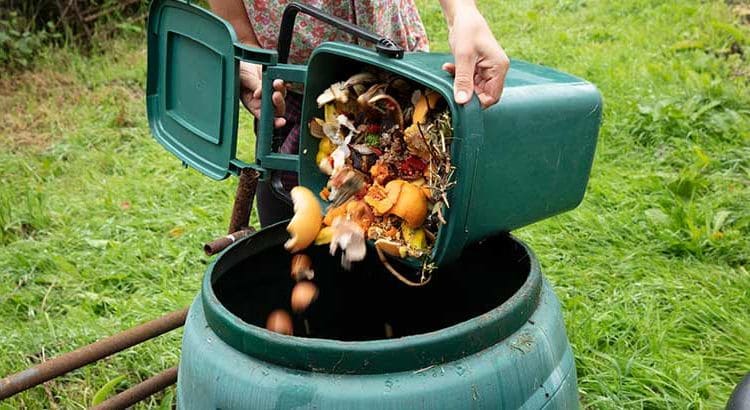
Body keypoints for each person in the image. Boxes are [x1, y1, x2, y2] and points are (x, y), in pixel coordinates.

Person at [209, 0, 509, 227]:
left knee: (414, 208)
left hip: (397, 75)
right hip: (293, 93)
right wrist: (250, 64)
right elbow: (240, 32)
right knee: (288, 217)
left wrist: (463, 13)